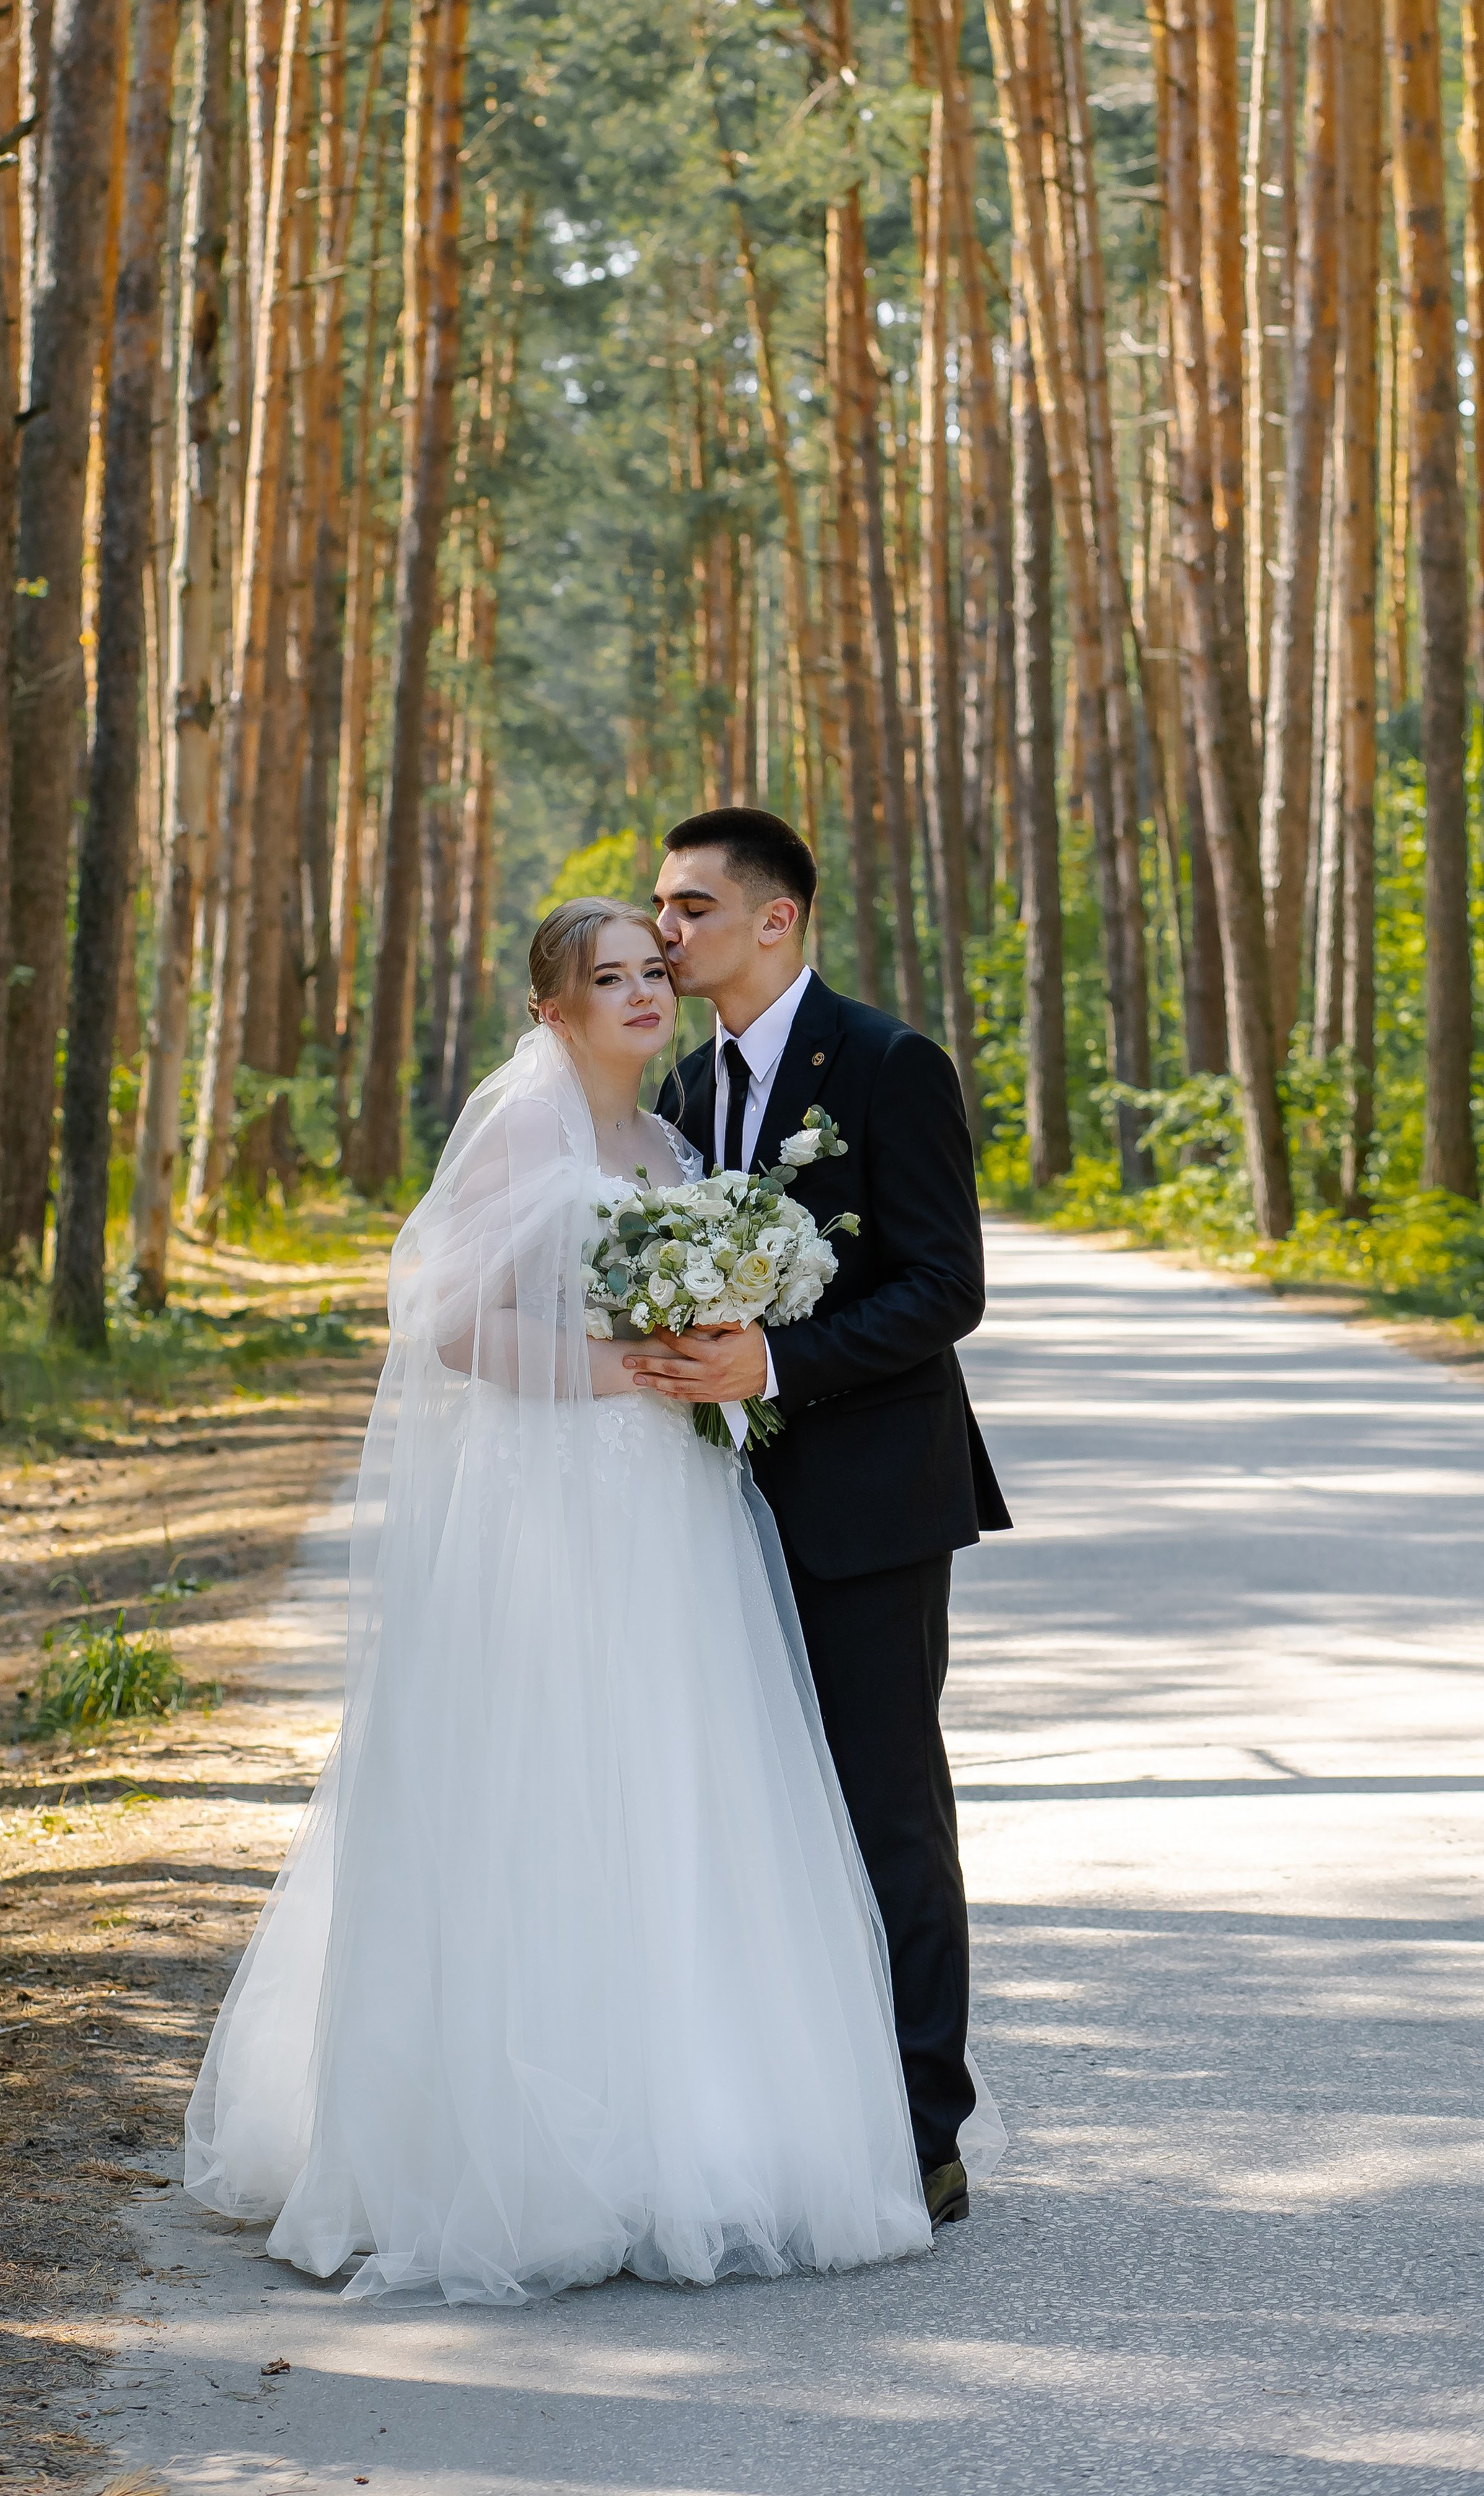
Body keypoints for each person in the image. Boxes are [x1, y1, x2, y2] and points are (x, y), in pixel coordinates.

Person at [184, 897, 941, 2304]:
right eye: (611, 978)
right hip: (544, 1503)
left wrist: (713, 1342)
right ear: (552, 1007)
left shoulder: (668, 1144)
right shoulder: (520, 1126)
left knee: (671, 1783)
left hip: (666, 1506)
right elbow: (449, 1321)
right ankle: (515, 2153)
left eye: (653, 972)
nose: (645, 994)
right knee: (540, 1785)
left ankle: (692, 2134)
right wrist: (618, 1370)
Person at [641, 805, 1011, 2229]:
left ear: (774, 917)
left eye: (686, 907)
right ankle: (781, 2106)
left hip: (868, 1498)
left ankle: (921, 2125)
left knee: (883, 1811)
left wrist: (776, 1360)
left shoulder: (883, 1062)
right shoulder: (677, 1093)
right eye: (658, 909)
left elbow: (940, 1287)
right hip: (707, 1508)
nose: (663, 931)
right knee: (748, 1812)